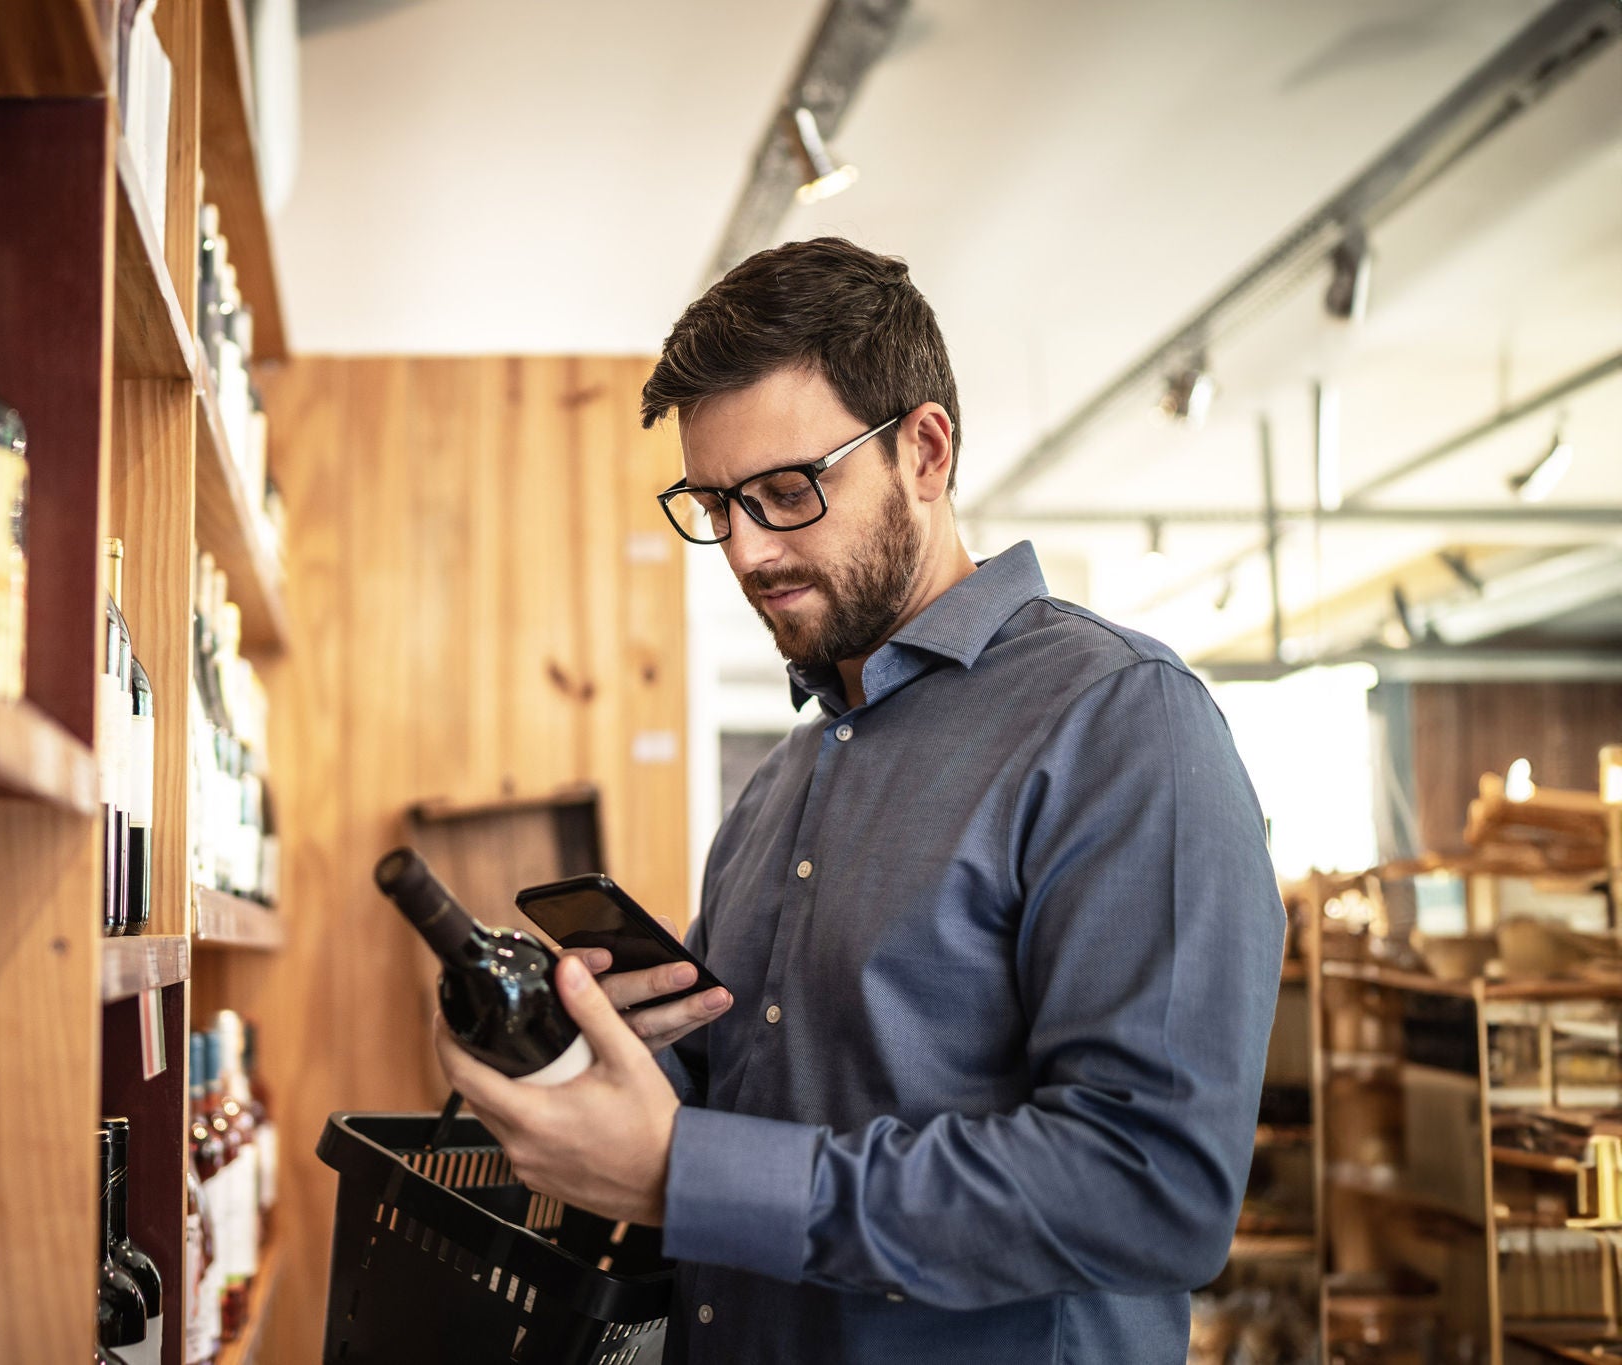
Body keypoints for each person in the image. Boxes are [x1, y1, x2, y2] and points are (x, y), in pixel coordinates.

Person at [431, 236, 1283, 1363]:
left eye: (785, 491)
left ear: (923, 453)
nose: (742, 548)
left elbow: (1149, 1185)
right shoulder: (780, 784)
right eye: (712, 503)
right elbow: (759, 1088)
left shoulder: (1121, 722)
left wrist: (685, 1174)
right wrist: (591, 1048)